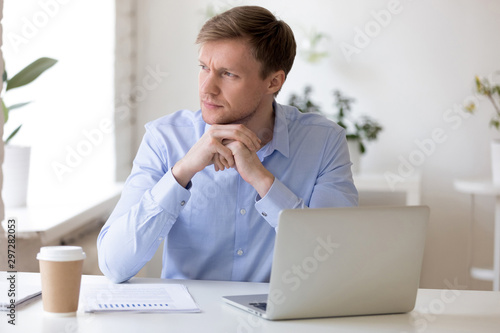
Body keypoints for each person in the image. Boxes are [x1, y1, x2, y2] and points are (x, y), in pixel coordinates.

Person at [97, 5, 358, 284]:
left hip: (280, 321)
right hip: (189, 322)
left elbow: (337, 263)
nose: (206, 88)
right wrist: (181, 173)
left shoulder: (323, 142)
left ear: (273, 81)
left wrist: (262, 180)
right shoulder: (164, 139)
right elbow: (114, 265)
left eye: (228, 74)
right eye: (203, 68)